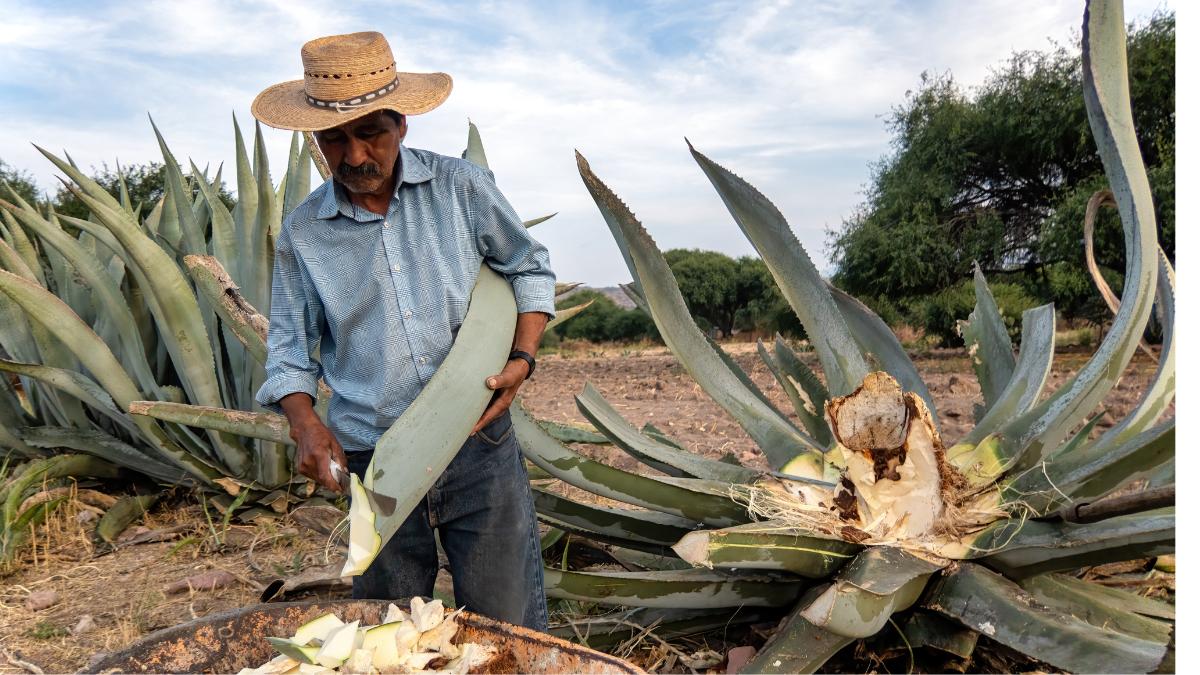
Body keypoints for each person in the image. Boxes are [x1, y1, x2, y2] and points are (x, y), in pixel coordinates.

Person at [250, 31, 554, 631]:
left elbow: (528, 266)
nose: (355, 155)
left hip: (476, 438)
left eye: (372, 133)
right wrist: (306, 424)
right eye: (335, 140)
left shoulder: (461, 189)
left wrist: (523, 358)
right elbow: (288, 346)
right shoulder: (305, 232)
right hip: (374, 456)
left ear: (402, 125)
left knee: (507, 620)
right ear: (316, 139)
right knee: (389, 631)